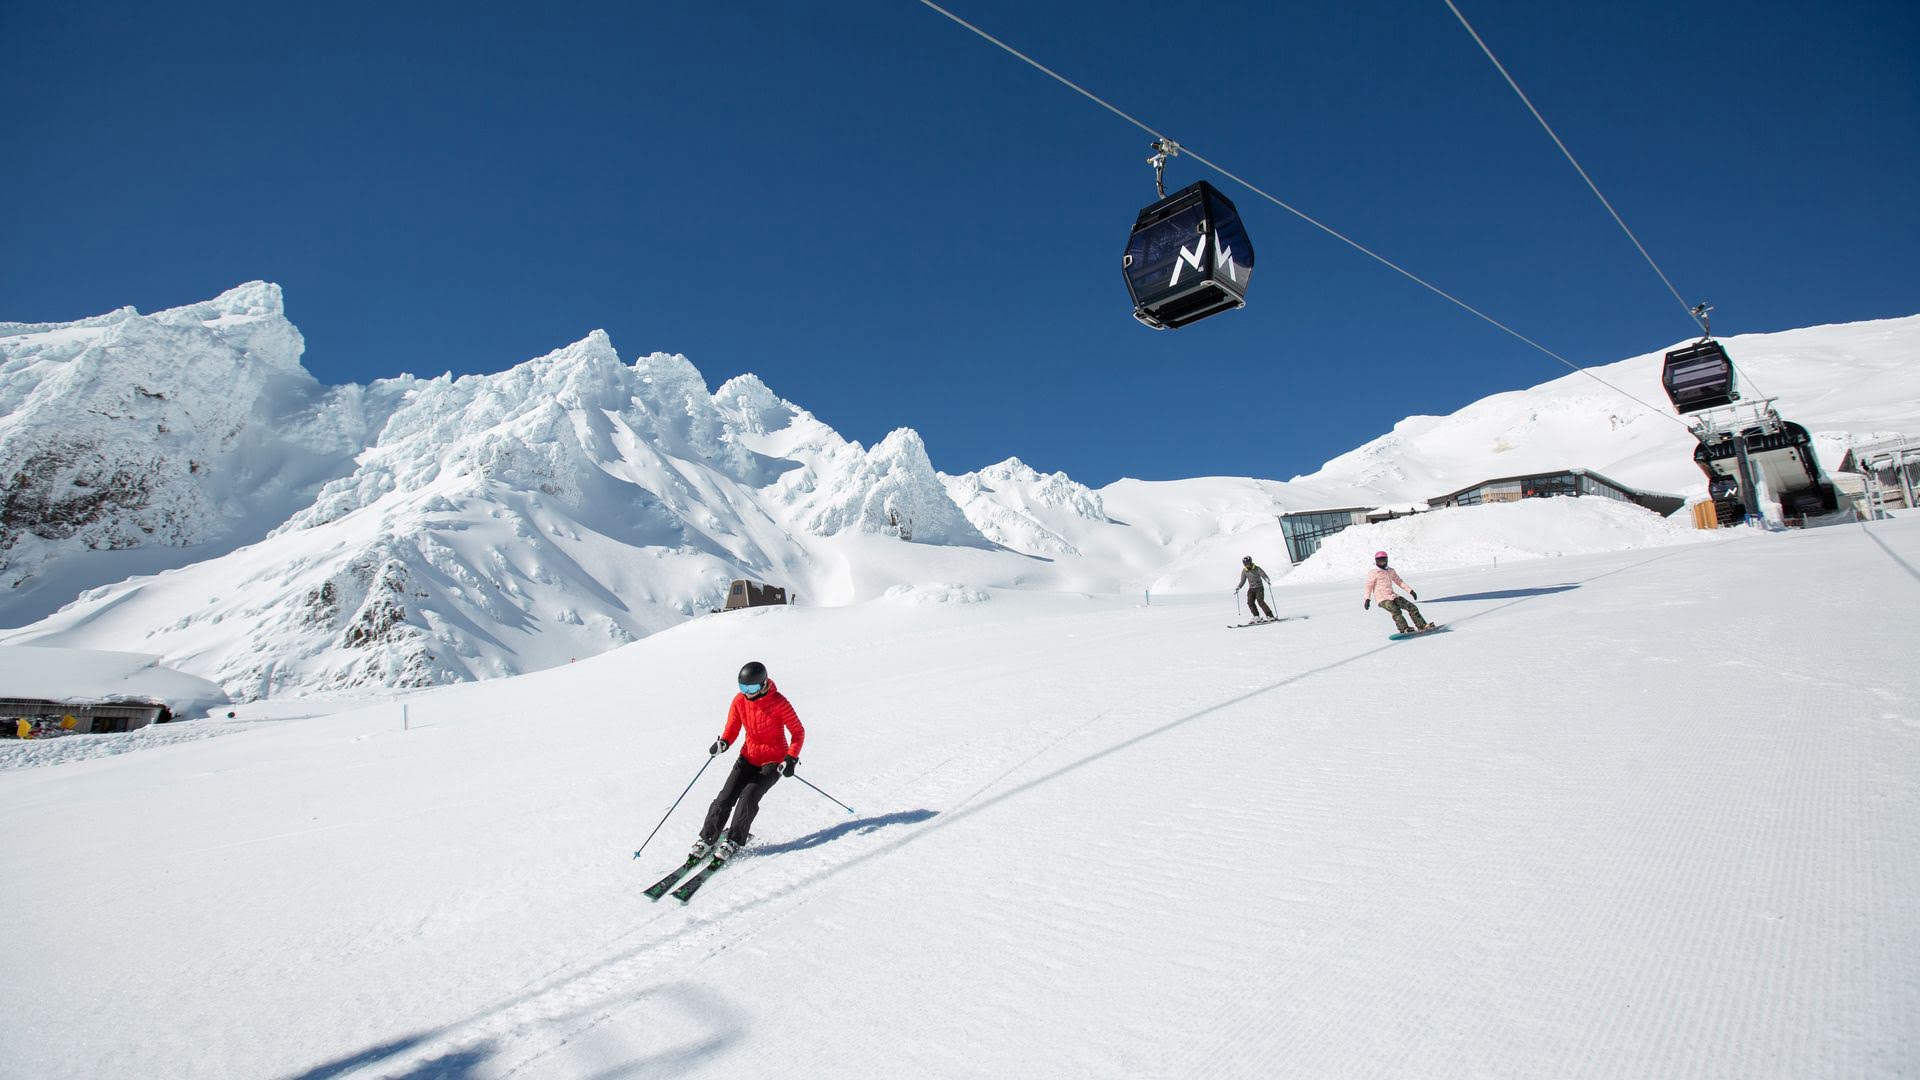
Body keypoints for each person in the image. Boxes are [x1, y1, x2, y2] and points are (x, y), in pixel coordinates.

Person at [693, 661, 805, 863]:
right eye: (743, 688)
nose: (747, 693)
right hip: (748, 757)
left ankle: (734, 840)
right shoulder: (739, 701)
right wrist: (724, 743)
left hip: (774, 761)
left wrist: (791, 758)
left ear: (763, 685)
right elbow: (732, 728)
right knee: (725, 797)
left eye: (751, 688)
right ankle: (707, 838)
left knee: (748, 797)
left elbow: (798, 732)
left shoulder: (779, 702)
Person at [1363, 550, 1430, 633]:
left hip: (1392, 595)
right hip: (1382, 598)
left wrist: (1410, 591)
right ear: (1376, 561)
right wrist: (1367, 599)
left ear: (1387, 560)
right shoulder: (1374, 572)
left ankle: (1422, 625)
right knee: (1395, 610)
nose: (1382, 562)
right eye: (1379, 561)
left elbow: (1399, 581)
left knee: (1412, 607)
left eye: (1383, 560)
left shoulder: (1390, 571)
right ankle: (1404, 628)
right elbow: (1368, 586)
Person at [1235, 555, 1276, 621]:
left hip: (1259, 588)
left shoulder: (1257, 568)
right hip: (1251, 589)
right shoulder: (1244, 571)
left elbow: (1263, 574)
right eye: (1245, 565)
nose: (1247, 566)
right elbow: (1243, 580)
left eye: (1248, 564)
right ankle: (1256, 616)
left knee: (1260, 602)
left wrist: (1267, 580)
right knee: (1250, 602)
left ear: (1251, 562)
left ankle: (1270, 616)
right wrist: (1238, 587)